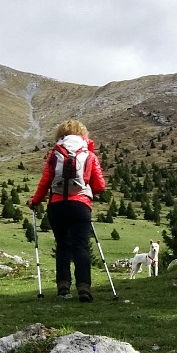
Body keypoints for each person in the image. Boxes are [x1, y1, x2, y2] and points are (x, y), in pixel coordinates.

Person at [29, 119, 106, 301]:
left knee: (63, 246)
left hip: (57, 206)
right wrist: (87, 193)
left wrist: (35, 201)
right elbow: (100, 185)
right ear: (82, 134)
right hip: (80, 206)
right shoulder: (89, 154)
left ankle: (63, 286)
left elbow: (45, 182)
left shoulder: (55, 154)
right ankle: (84, 288)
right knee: (81, 246)